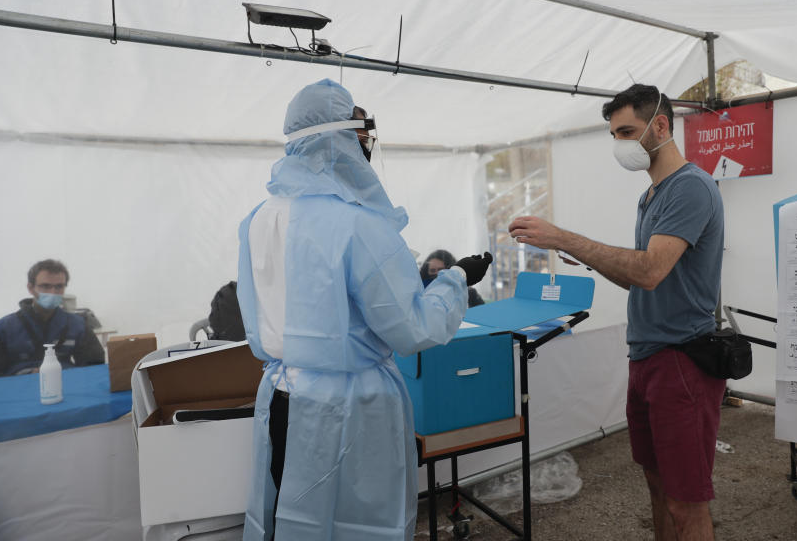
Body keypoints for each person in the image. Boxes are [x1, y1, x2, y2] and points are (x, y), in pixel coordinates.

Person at [236, 78, 492, 541]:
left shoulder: (257, 218)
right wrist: (455, 280)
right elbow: (413, 328)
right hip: (349, 409)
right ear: (341, 139)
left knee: (290, 523)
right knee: (357, 527)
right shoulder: (359, 223)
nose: (365, 146)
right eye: (361, 134)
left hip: (280, 395)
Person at [508, 83, 725, 541]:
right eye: (613, 134)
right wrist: (589, 257)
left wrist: (565, 238)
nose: (619, 144)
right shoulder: (651, 196)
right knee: (657, 483)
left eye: (626, 131)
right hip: (647, 356)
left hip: (681, 360)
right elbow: (635, 278)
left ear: (660, 125)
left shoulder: (690, 188)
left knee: (686, 502)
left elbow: (649, 271)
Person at [0, 259, 105, 377]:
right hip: (17, 388)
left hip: (65, 385)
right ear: (31, 288)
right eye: (45, 286)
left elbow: (94, 366)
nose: (53, 292)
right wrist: (26, 375)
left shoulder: (78, 325)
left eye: (59, 286)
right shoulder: (3, 328)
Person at [420, 249, 486, 307]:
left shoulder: (469, 294)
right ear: (426, 272)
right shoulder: (420, 295)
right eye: (432, 270)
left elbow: (482, 314)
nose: (437, 274)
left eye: (441, 270)